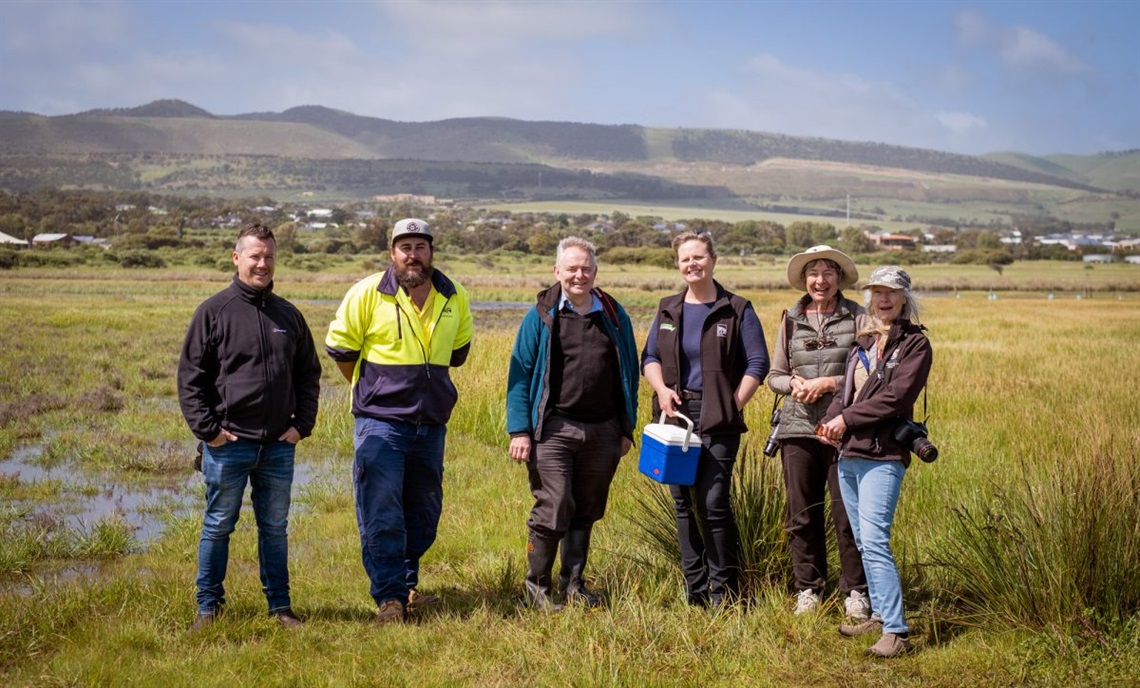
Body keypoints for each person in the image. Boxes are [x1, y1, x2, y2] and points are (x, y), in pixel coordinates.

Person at [325, 218, 473, 625]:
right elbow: (341, 352)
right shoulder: (366, 294)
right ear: (392, 253)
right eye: (404, 246)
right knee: (382, 509)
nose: (413, 254)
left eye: (420, 246)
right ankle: (389, 598)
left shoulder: (453, 294)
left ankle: (407, 585)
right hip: (381, 423)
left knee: (424, 512)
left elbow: (457, 352)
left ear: (431, 252)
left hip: (431, 425)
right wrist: (373, 393)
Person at [178, 222, 322, 631]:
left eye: (269, 256)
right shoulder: (213, 311)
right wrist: (210, 433)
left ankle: (280, 608)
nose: (263, 263)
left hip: (278, 445)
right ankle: (208, 609)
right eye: (255, 256)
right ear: (236, 258)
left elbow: (309, 375)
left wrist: (301, 426)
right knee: (218, 525)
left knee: (274, 528)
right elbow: (190, 379)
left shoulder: (288, 315)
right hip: (228, 443)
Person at [506, 237, 639, 610]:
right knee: (555, 503)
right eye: (571, 269)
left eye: (586, 269)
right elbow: (520, 374)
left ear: (595, 272)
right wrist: (519, 430)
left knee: (587, 508)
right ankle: (536, 590)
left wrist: (626, 427)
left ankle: (574, 586)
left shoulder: (613, 315)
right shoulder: (542, 315)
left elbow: (629, 371)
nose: (579, 275)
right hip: (554, 429)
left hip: (603, 430)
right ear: (557, 272)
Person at [642, 231, 769, 607]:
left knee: (713, 502)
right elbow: (649, 357)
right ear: (678, 265)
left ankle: (724, 593)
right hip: (674, 416)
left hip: (718, 420)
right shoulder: (668, 307)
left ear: (713, 259)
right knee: (682, 504)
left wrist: (732, 404)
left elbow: (757, 363)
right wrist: (662, 390)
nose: (692, 264)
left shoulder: (737, 308)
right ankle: (694, 591)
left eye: (698, 257)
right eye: (685, 259)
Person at [818, 265, 932, 658]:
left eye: (891, 292)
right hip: (849, 452)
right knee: (864, 541)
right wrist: (829, 421)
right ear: (869, 297)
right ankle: (881, 615)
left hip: (884, 454)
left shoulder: (915, 345)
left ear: (905, 297)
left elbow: (895, 400)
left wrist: (844, 419)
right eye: (877, 292)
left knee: (877, 541)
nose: (883, 299)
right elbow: (844, 390)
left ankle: (897, 633)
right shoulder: (863, 342)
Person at [767, 246, 870, 619]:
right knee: (801, 514)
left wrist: (829, 382)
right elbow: (773, 376)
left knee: (847, 514)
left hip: (844, 427)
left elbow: (869, 374)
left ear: (839, 278)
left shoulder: (859, 316)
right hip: (796, 428)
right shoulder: (791, 319)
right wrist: (793, 384)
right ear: (805, 279)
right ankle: (808, 589)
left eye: (828, 272)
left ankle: (855, 591)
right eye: (813, 272)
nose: (820, 280)